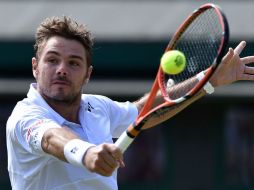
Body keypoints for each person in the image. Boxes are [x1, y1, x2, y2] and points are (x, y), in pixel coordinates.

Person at [6, 16, 254, 190]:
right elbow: (52, 138)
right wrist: (88, 153)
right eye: (52, 60)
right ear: (35, 67)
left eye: (73, 63)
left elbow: (146, 110)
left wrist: (206, 80)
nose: (62, 70)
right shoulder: (24, 117)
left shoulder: (98, 107)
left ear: (88, 74)